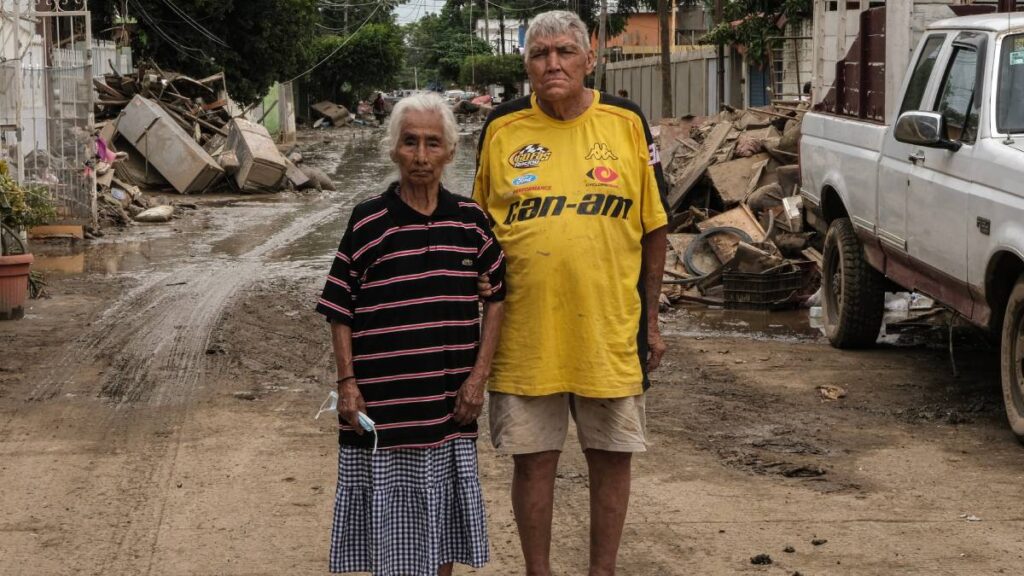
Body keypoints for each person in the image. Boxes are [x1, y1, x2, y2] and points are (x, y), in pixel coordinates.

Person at [472, 10, 669, 576]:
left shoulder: (626, 122)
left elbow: (654, 227)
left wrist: (651, 322)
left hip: (608, 327)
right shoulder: (503, 128)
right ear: (526, 64)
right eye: (539, 54)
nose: (552, 63)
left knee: (612, 458)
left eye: (563, 51)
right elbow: (479, 231)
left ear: (590, 59)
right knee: (533, 463)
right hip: (525, 333)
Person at [316, 92, 506, 576]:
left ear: (450, 152)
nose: (421, 157)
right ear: (393, 150)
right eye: (411, 143)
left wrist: (478, 379)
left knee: (440, 525)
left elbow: (498, 297)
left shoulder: (472, 221)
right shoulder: (367, 221)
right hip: (383, 409)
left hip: (448, 405)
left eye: (432, 144)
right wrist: (347, 384)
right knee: (388, 530)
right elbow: (340, 308)